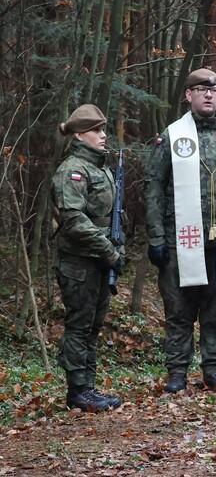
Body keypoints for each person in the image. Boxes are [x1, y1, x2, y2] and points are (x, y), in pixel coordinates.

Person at [145, 68, 216, 393]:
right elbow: (153, 186)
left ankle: (213, 369)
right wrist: (155, 237)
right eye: (201, 90)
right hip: (178, 241)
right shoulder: (171, 136)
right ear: (189, 95)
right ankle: (177, 373)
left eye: (213, 90)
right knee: (179, 310)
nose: (208, 95)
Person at [51, 104, 123, 411]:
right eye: (97, 130)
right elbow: (75, 222)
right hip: (80, 262)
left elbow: (109, 216)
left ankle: (88, 388)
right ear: (80, 135)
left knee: (92, 327)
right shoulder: (72, 171)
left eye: (103, 129)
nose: (103, 135)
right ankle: (77, 390)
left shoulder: (99, 167)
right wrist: (109, 251)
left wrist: (116, 247)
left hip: (98, 262)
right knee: (79, 326)